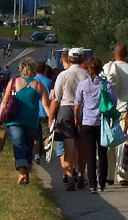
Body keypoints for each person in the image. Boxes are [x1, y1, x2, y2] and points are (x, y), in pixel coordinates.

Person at [0, 56, 52, 185]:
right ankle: (24, 172)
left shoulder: (13, 82)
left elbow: (5, 102)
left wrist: (0, 118)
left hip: (15, 120)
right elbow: (46, 105)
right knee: (28, 146)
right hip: (32, 121)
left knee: (19, 143)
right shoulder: (39, 86)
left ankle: (23, 172)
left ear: (21, 69)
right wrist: (51, 119)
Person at [75, 56, 115, 194]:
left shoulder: (83, 85)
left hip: (87, 122)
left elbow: (78, 104)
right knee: (102, 153)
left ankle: (92, 184)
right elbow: (113, 101)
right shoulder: (106, 84)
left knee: (90, 154)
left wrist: (77, 118)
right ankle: (102, 182)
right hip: (101, 123)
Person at [50, 48, 88, 191]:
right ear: (83, 59)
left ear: (69, 59)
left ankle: (70, 176)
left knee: (68, 147)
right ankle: (82, 175)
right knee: (82, 146)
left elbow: (56, 98)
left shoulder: (63, 75)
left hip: (66, 109)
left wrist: (51, 118)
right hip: (83, 110)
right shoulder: (86, 74)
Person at [103, 43, 128, 185]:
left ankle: (110, 175)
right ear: (127, 55)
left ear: (114, 54)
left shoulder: (107, 68)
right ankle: (123, 175)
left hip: (110, 109)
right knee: (124, 143)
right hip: (126, 110)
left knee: (109, 143)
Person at [33, 61, 53, 164]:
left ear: (35, 71)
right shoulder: (49, 82)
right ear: (45, 70)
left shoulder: (32, 82)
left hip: (35, 112)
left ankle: (36, 156)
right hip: (46, 112)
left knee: (36, 136)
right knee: (47, 135)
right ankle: (47, 154)